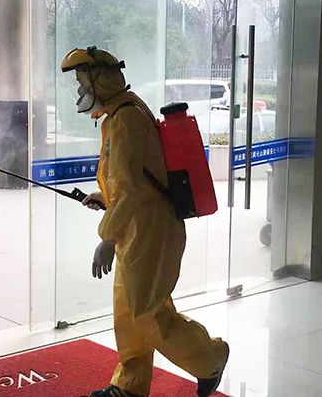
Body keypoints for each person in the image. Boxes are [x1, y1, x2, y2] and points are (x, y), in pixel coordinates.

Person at [61, 46, 230, 397]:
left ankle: (210, 358)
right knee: (128, 312)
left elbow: (132, 191)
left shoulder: (126, 119)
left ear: (100, 81)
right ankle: (130, 385)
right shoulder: (121, 113)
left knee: (148, 313)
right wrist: (105, 197)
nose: (80, 90)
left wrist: (107, 239)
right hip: (137, 227)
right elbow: (134, 178)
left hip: (151, 230)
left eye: (83, 81)